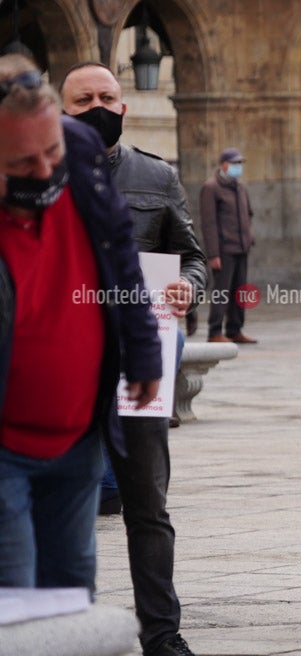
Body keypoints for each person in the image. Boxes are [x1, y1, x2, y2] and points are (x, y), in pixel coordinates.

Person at [0, 54, 161, 594]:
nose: (46, 172)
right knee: (17, 603)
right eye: (23, 164)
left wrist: (142, 353)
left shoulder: (83, 150)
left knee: (72, 594)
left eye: (52, 153)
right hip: (6, 449)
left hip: (78, 434)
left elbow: (121, 258)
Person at [60, 61, 206, 656]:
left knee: (148, 505)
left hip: (137, 367)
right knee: (64, 506)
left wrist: (189, 286)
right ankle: (68, 628)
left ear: (124, 106)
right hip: (64, 370)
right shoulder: (31, 176)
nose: (96, 106)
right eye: (82, 99)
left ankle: (162, 635)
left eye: (106, 96)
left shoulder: (156, 175)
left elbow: (190, 255)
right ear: (61, 112)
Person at [200, 147, 256, 344]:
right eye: (234, 163)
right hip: (223, 250)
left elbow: (248, 214)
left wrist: (250, 238)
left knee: (240, 291)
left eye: (240, 163)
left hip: (241, 247)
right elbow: (209, 223)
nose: (238, 167)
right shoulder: (211, 187)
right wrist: (213, 254)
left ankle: (235, 330)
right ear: (223, 164)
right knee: (222, 291)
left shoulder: (240, 187)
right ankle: (215, 331)